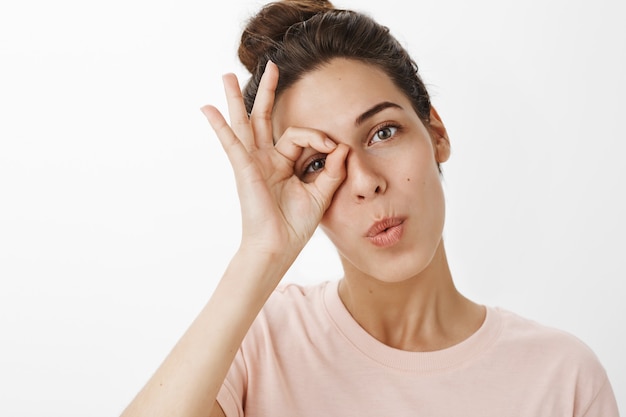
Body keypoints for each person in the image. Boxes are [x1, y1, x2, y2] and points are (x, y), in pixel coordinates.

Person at [121, 1, 619, 416]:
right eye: (317, 163)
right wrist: (260, 252)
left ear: (436, 133)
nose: (365, 183)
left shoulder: (561, 377)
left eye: (382, 133)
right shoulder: (260, 345)